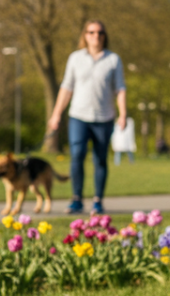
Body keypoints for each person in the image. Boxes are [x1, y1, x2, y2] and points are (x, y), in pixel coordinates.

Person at [47, 20, 126, 216]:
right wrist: (56, 113)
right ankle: (76, 199)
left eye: (100, 32)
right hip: (78, 116)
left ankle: (98, 200)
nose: (96, 36)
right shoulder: (75, 58)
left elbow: (120, 89)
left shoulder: (113, 59)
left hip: (104, 118)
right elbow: (66, 87)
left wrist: (123, 114)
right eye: (91, 32)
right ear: (85, 35)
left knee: (100, 159)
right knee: (77, 154)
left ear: (104, 36)